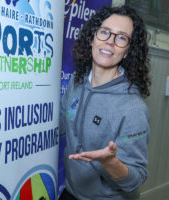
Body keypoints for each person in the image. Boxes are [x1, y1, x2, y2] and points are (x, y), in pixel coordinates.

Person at [59, 5, 151, 200]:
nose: (110, 41)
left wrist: (110, 162)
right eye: (105, 32)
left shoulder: (133, 108)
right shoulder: (76, 82)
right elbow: (57, 125)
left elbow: (135, 179)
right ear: (93, 37)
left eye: (121, 38)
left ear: (127, 52)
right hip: (71, 192)